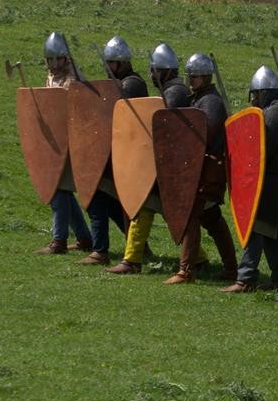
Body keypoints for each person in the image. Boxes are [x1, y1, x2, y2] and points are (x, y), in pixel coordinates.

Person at [107, 43, 201, 275]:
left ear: (166, 71)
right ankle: (196, 258)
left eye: (155, 70)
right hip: (164, 164)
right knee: (158, 210)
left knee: (159, 210)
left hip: (170, 166)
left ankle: (132, 261)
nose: (151, 75)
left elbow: (169, 131)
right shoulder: (171, 91)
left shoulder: (174, 93)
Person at [164, 53, 237, 285]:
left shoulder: (211, 102)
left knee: (191, 216)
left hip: (206, 169)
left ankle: (186, 271)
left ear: (206, 77)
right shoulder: (198, 99)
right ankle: (231, 268)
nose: (191, 81)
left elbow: (206, 135)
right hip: (197, 168)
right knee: (212, 218)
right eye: (190, 77)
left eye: (195, 77)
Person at [222, 66, 278, 294]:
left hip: (266, 181)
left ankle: (245, 278)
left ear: (263, 93)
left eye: (255, 95)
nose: (253, 99)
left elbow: (261, 149)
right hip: (275, 180)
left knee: (256, 228)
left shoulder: (273, 114)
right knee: (273, 231)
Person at [77, 36, 146, 266]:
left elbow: (121, 119)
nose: (108, 68)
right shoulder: (120, 83)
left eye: (111, 63)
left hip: (127, 154)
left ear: (122, 63)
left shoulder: (132, 84)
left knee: (99, 196)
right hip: (114, 153)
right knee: (113, 201)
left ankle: (100, 250)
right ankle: (138, 245)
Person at [36, 32, 93, 255]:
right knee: (63, 190)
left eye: (57, 59)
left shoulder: (74, 79)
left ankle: (59, 240)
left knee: (59, 189)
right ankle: (83, 237)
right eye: (50, 59)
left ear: (65, 58)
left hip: (72, 142)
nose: (53, 64)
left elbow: (81, 111)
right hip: (55, 142)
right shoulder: (51, 77)